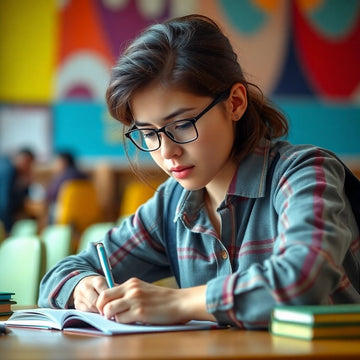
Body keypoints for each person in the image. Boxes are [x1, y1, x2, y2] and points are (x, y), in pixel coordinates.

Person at [38, 14, 360, 329]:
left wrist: (175, 303)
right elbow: (58, 276)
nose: (166, 152)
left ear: (234, 103)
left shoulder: (304, 173)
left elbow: (302, 282)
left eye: (182, 124)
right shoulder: (171, 203)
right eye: (149, 133)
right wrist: (83, 286)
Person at [45, 151, 88, 224]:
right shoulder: (84, 177)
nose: (55, 165)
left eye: (56, 162)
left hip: (64, 217)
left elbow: (50, 196)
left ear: (63, 162)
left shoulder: (63, 178)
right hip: (86, 217)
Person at [0, 148, 35, 234]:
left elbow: (23, 197)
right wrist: (8, 228)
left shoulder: (13, 170)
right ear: (19, 158)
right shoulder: (9, 170)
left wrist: (26, 185)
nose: (28, 166)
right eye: (27, 162)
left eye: (30, 164)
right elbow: (4, 201)